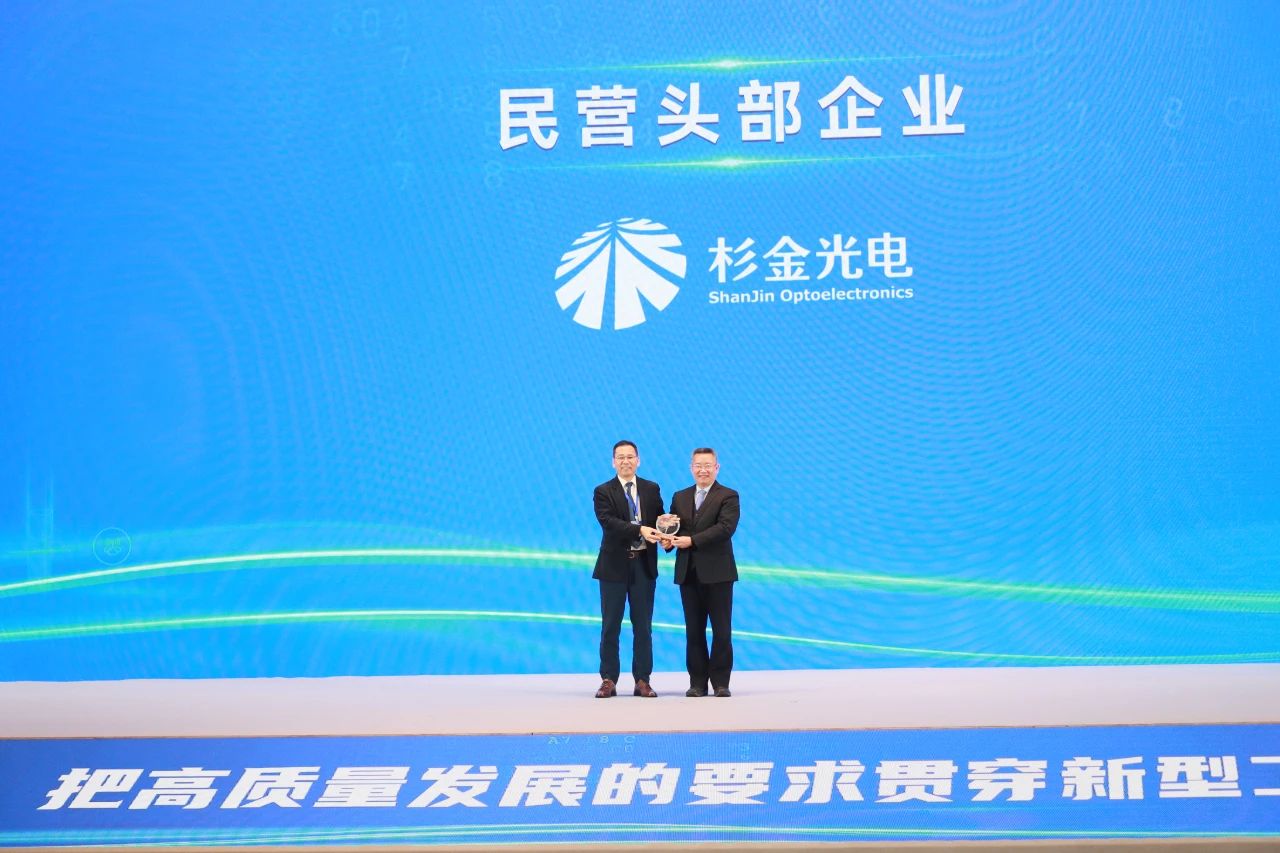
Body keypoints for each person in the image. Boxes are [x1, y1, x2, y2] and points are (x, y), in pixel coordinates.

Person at [664, 447, 739, 698]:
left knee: (721, 631)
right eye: (698, 465)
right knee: (693, 631)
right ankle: (697, 683)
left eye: (708, 465)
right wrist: (667, 541)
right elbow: (674, 529)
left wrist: (692, 541)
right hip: (688, 573)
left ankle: (720, 683)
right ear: (691, 468)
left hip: (719, 574)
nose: (703, 470)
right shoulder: (680, 496)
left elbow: (725, 528)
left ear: (717, 468)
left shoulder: (728, 495)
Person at [591, 440, 663, 698]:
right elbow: (609, 523)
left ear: (638, 460)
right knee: (611, 625)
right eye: (620, 457)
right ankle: (608, 679)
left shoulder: (651, 489)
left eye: (630, 457)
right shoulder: (603, 491)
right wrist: (640, 529)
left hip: (643, 565)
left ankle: (642, 680)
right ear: (613, 462)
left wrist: (667, 533)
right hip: (613, 567)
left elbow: (659, 521)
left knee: (643, 626)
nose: (625, 461)